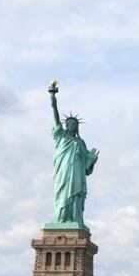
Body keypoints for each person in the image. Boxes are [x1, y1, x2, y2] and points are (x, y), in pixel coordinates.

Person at [49, 83, 99, 229]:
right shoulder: (61, 135)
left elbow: (86, 165)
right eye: (69, 123)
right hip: (63, 171)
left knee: (76, 194)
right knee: (63, 192)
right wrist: (53, 99)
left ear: (76, 127)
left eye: (73, 124)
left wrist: (92, 160)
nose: (70, 126)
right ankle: (61, 219)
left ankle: (76, 219)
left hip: (76, 172)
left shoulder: (80, 142)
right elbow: (56, 118)